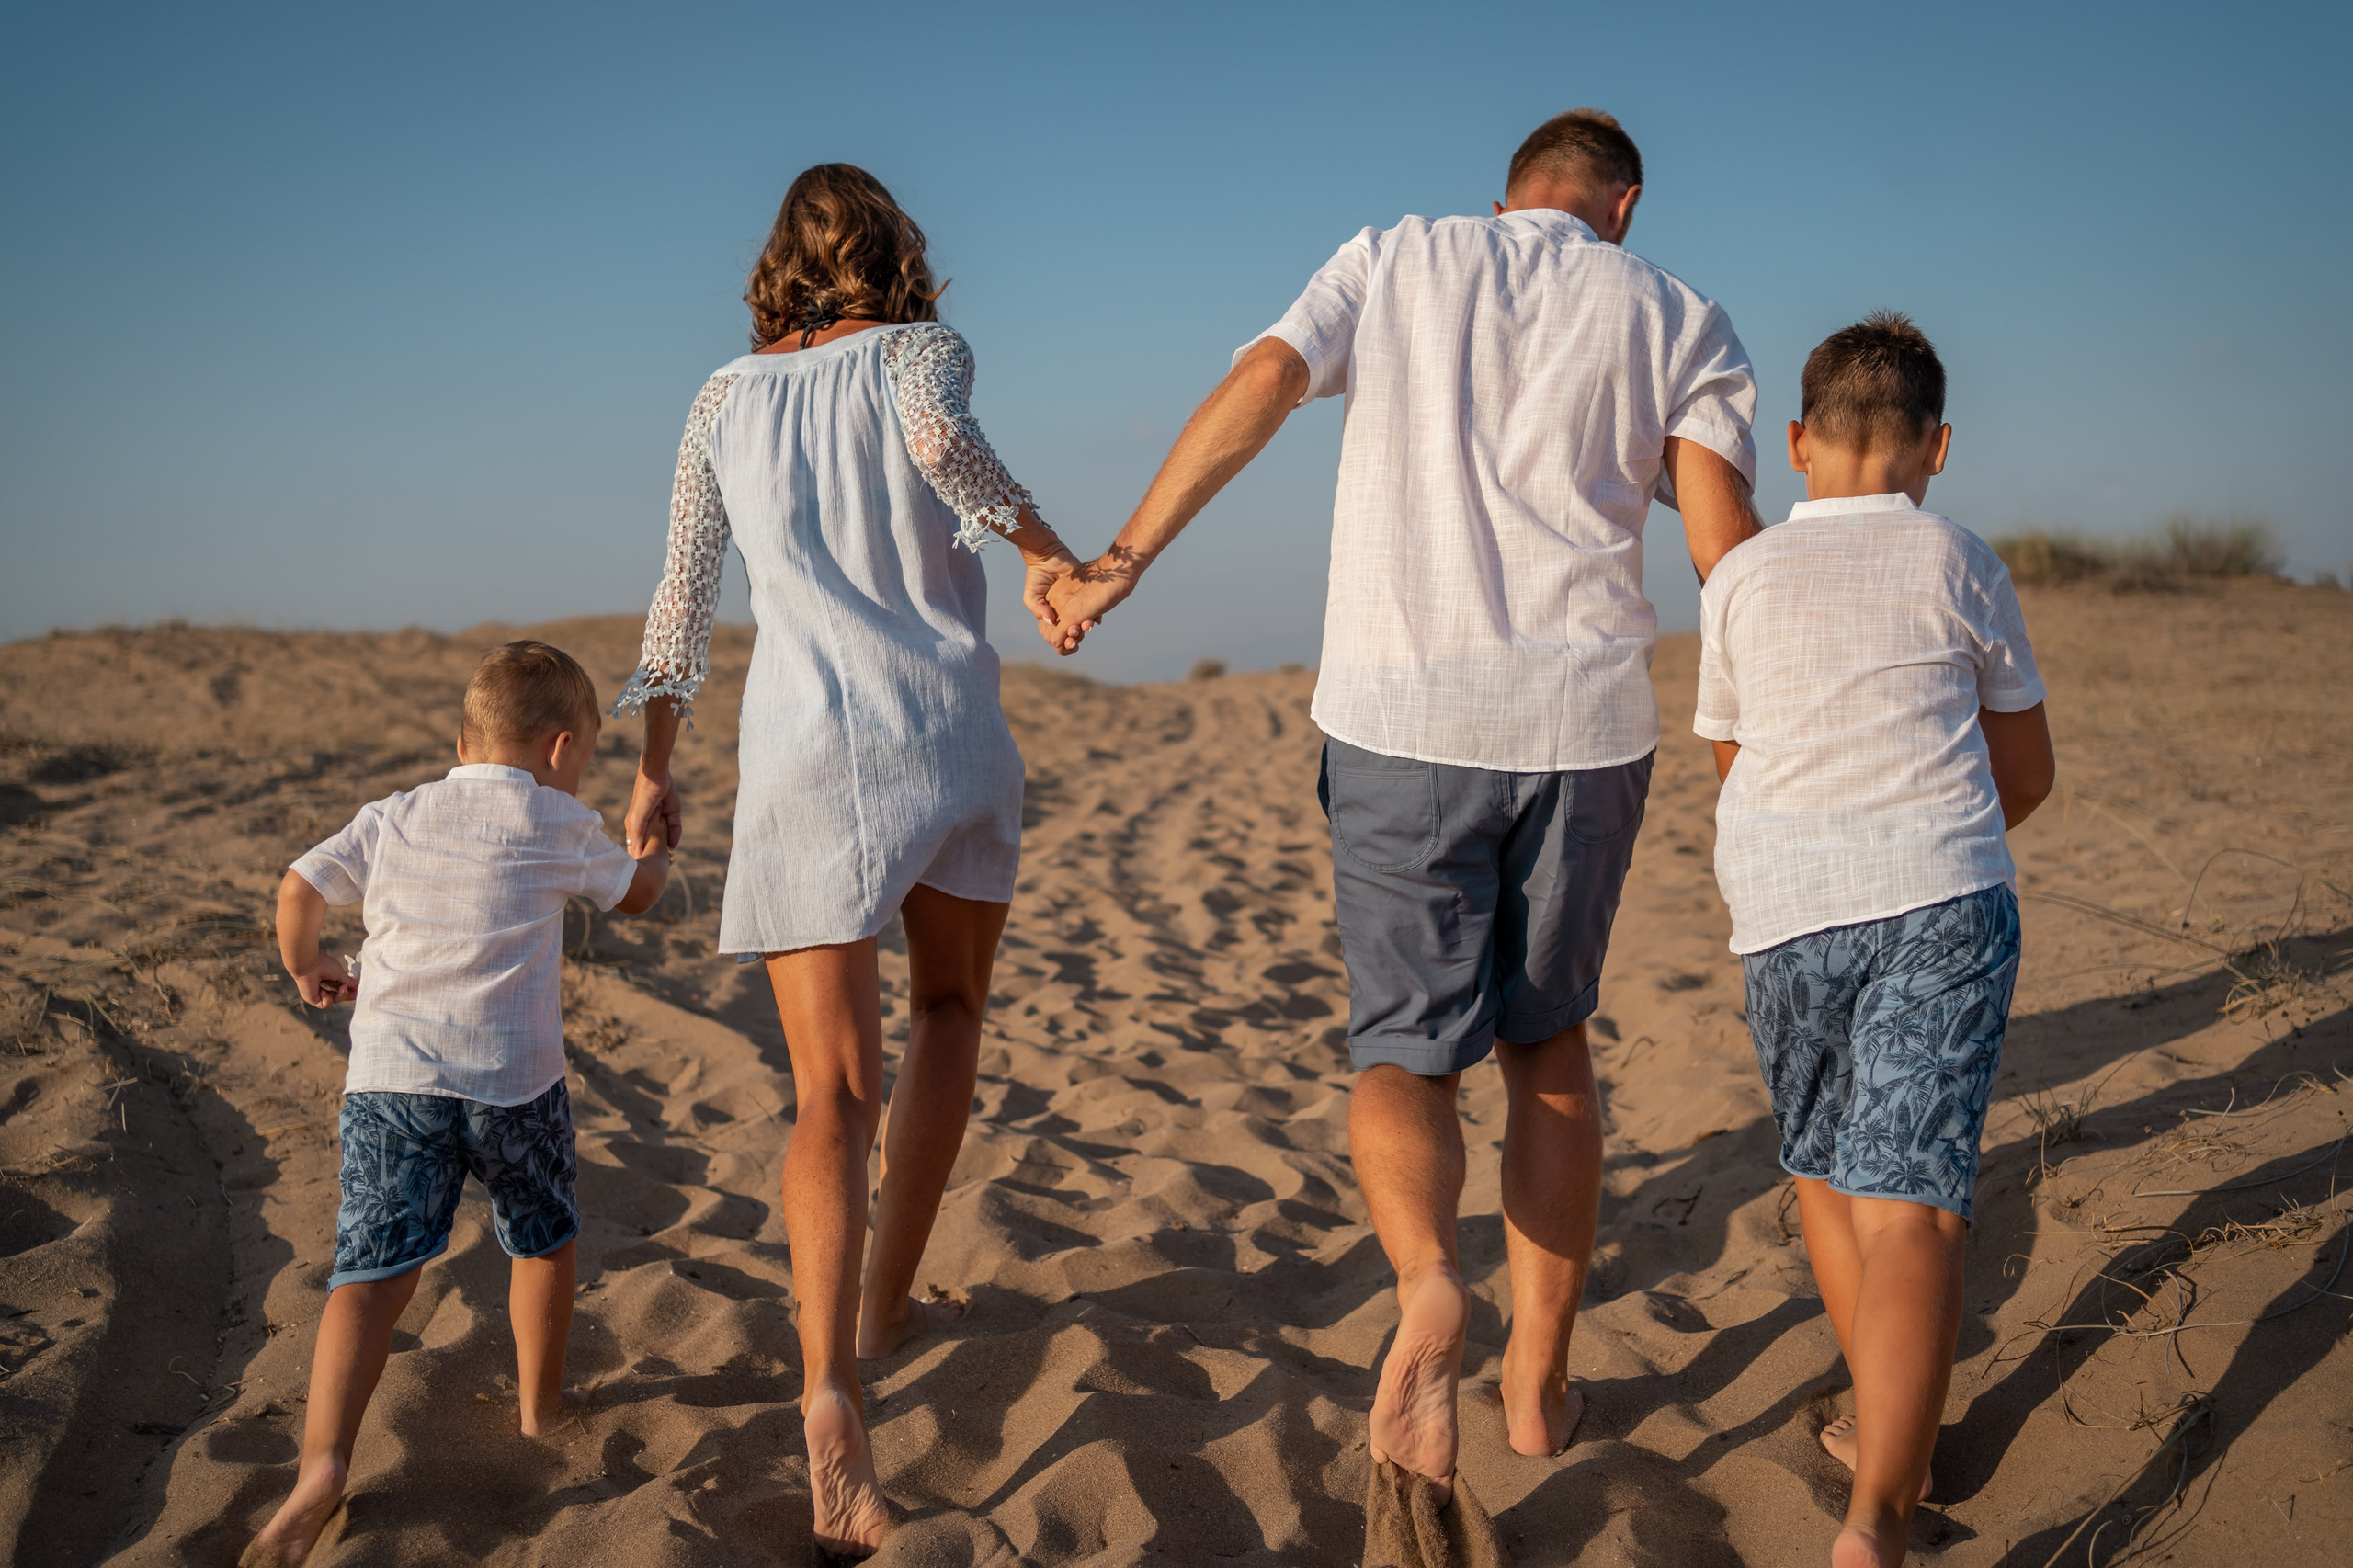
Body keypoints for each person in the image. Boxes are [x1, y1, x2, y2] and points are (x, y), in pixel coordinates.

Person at [1043, 110, 1762, 1500]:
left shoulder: (1396, 257)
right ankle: (1538, 1390)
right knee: (1549, 1052)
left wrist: (1123, 556)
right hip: (1584, 726)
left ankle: (1431, 1278)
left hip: (1400, 717)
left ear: (1510, 197)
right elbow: (1721, 539)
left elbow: (1262, 379)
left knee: (1403, 1050)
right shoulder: (1679, 311)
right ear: (1622, 205)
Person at [613, 164, 1081, 1560]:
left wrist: (653, 763)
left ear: (776, 262)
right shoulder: (922, 350)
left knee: (828, 1091)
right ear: (894, 250)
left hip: (803, 755)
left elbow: (684, 592)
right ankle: (887, 1300)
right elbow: (943, 445)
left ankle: (831, 1377)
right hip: (941, 729)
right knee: (948, 1014)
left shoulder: (720, 397)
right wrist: (1052, 554)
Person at [1693, 312, 2055, 1568]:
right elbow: (2027, 771)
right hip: (1937, 894)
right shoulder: (1960, 559)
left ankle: (1887, 1428)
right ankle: (1881, 1512)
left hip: (1784, 902)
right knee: (1918, 1208)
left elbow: (1738, 758)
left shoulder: (1736, 577)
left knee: (1829, 1176)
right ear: (1938, 445)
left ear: (1796, 442)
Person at [241, 641, 669, 1567]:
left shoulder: (393, 815)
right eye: (585, 756)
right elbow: (635, 895)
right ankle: (539, 1406)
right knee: (541, 1239)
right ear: (560, 749)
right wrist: (651, 839)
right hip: (515, 1080)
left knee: (370, 1273)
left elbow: (298, 886)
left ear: (460, 739)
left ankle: (320, 1468)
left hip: (394, 1078)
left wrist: (307, 961)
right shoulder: (555, 815)